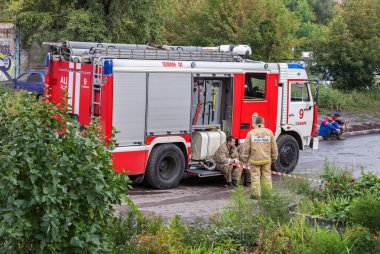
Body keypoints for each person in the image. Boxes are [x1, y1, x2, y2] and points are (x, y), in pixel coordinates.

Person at [241, 116, 278, 199]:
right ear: (263, 122)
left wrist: (245, 159)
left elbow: (246, 147)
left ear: (256, 123)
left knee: (255, 177)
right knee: (267, 177)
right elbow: (274, 147)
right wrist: (274, 157)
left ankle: (256, 195)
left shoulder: (251, 133)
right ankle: (267, 193)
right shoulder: (269, 132)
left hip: (255, 160)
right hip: (266, 159)